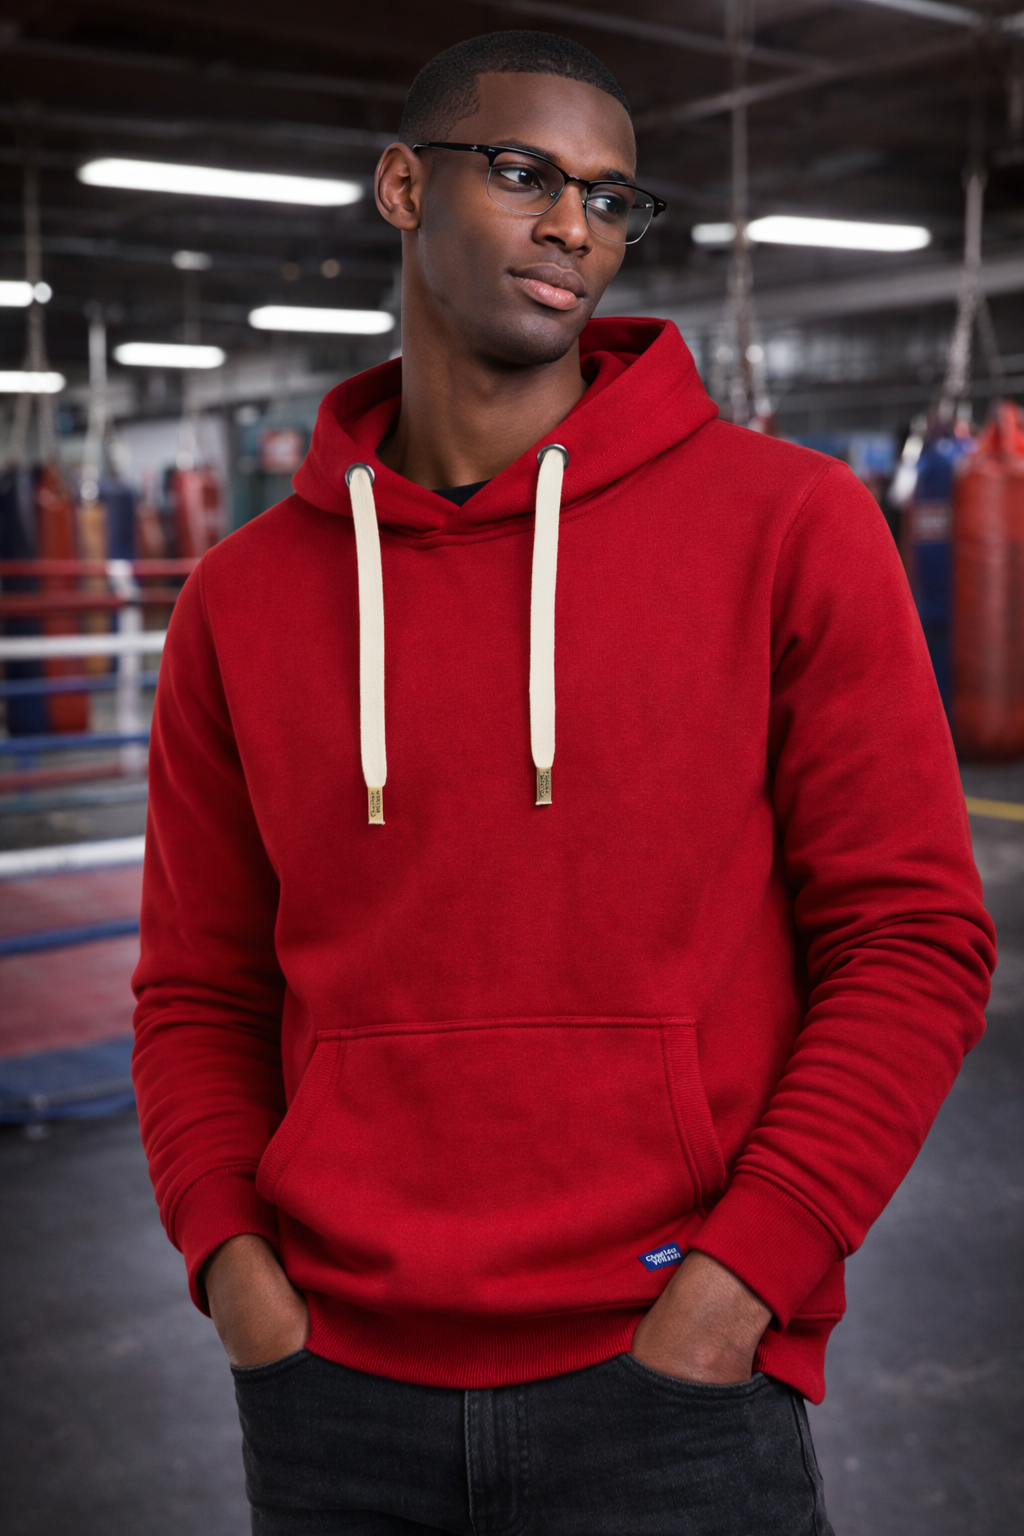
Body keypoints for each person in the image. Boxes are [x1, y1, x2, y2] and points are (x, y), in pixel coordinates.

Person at [133, 30, 995, 1536]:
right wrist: (237, 1273)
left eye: (613, 198)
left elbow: (913, 943)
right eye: (525, 174)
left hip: (673, 1383)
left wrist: (740, 1290)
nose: (573, 228)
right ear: (402, 186)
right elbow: (198, 986)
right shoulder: (243, 599)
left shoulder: (791, 528)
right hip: (332, 1388)